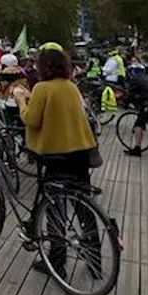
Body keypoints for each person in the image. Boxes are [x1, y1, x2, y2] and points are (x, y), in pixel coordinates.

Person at [21, 46, 99, 273]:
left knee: (55, 207)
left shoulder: (42, 88)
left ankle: (57, 262)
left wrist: (21, 101)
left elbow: (32, 119)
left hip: (56, 155)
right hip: (82, 152)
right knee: (83, 205)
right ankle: (95, 260)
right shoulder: (72, 87)